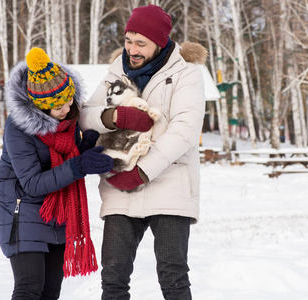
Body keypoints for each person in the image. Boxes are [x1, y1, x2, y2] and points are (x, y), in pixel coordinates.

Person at [79, 5, 207, 299]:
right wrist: (113, 118)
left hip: (169, 184)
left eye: (141, 43)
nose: (132, 49)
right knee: (112, 277)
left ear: (159, 43)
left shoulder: (187, 74)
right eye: (128, 40)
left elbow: (185, 129)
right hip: (119, 186)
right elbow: (85, 116)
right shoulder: (116, 71)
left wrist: (142, 171)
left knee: (173, 276)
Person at [0, 47, 114, 299]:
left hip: (57, 213)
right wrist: (78, 166)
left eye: (69, 99)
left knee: (50, 292)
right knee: (29, 287)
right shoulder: (18, 128)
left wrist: (80, 151)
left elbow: (61, 160)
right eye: (58, 106)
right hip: (23, 210)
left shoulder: (68, 120)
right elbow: (33, 184)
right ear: (39, 107)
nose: (67, 108)